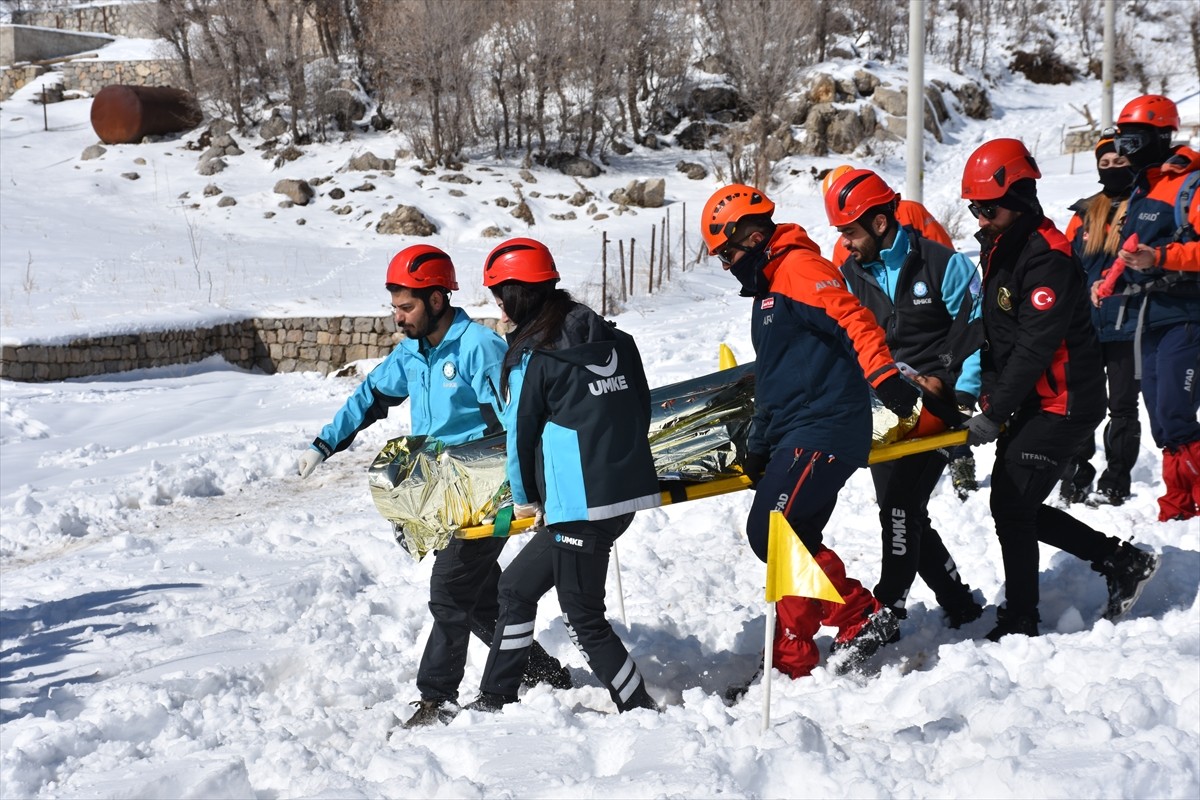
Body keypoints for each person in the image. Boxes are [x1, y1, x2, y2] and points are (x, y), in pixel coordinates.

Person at [295, 243, 570, 728]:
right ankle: (544, 671)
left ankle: (436, 696)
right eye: (394, 307)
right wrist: (325, 443)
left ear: (437, 299)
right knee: (478, 597)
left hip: (490, 489)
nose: (397, 317)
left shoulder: (477, 348)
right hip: (447, 492)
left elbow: (519, 420)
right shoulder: (413, 353)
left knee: (448, 591)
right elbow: (372, 394)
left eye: (406, 307)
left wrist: (529, 491)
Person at [700, 183, 919, 679]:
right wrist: (758, 448)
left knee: (771, 533)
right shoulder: (771, 289)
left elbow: (854, 318)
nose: (727, 264)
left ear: (751, 239)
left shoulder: (800, 269)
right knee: (794, 538)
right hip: (797, 431)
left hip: (825, 428)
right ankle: (791, 659)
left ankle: (860, 613)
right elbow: (778, 382)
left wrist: (883, 375)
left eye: (727, 253)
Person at [959, 138, 1160, 640]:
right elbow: (996, 333)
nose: (979, 218)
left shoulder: (1045, 256)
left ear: (1020, 198)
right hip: (1034, 399)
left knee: (1011, 505)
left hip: (1065, 401)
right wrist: (989, 391)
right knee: (1015, 505)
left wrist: (995, 412)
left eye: (987, 207)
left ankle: (1025, 616)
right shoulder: (1003, 247)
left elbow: (1034, 346)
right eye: (974, 208)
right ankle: (1120, 561)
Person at [465, 238, 661, 715]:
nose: (497, 306)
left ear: (519, 294)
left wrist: (527, 498)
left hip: (579, 506)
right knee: (514, 589)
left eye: (499, 294)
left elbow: (520, 436)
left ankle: (639, 707)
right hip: (619, 495)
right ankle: (495, 696)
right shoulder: (612, 339)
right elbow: (641, 408)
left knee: (584, 619)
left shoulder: (538, 356)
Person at [824, 167, 984, 631]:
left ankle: (887, 606)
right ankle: (958, 602)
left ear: (878, 222)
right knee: (903, 511)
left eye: (850, 232)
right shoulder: (846, 277)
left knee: (899, 509)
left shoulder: (942, 263)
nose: (846, 244)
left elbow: (975, 331)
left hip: (938, 411)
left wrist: (963, 396)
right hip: (881, 415)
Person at [1099, 94, 1200, 521]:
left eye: (1132, 141)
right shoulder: (1144, 189)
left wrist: (1160, 259)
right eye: (1122, 142)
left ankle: (1183, 504)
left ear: (1160, 136)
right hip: (1150, 316)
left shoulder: (1191, 185)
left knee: (1176, 413)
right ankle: (1178, 503)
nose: (1124, 152)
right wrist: (1106, 284)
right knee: (1160, 420)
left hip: (1187, 315)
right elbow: (1129, 250)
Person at [1058, 132, 1142, 506]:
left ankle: (1116, 479)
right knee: (1079, 402)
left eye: (1119, 162)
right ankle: (1077, 472)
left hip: (1129, 322)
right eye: (1104, 164)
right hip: (1086, 325)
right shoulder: (1085, 213)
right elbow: (1064, 265)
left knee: (1122, 405)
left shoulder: (1145, 206)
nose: (1112, 169)